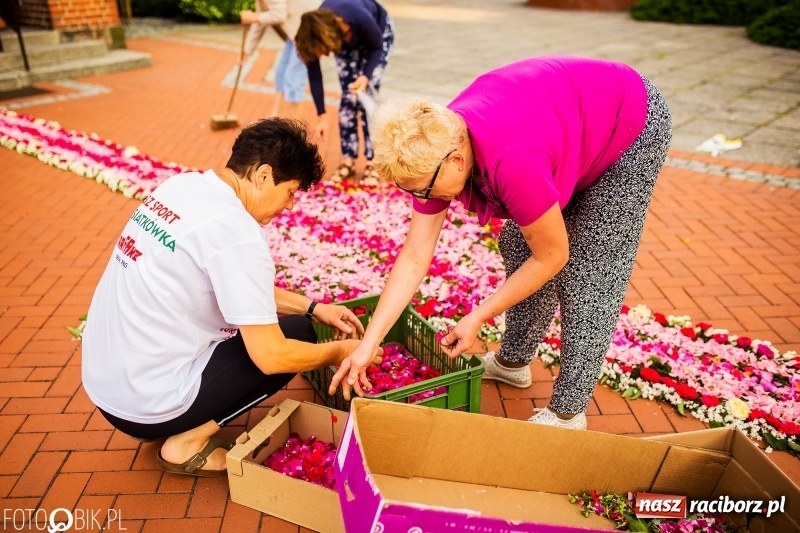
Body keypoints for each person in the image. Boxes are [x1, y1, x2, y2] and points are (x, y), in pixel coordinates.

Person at [331, 56, 672, 430]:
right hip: (562, 122)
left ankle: (568, 412)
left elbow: (553, 255)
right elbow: (414, 256)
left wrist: (477, 317)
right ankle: (514, 362)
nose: (420, 197)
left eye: (421, 189)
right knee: (519, 242)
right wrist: (367, 345)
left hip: (628, 123)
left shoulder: (512, 160)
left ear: (457, 161)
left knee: (588, 271)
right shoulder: (434, 149)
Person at [81, 119, 381, 477]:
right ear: (264, 175)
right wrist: (341, 352)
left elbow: (232, 284)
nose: (289, 205)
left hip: (108, 387)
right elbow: (272, 357)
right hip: (147, 403)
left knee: (300, 322)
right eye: (291, 191)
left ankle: (175, 418)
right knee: (295, 338)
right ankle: (186, 443)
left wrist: (312, 307)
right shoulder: (237, 232)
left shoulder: (181, 187)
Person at [295, 0, 394, 185]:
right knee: (349, 97)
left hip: (377, 37)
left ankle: (374, 162)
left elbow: (376, 46)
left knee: (366, 98)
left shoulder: (359, 17)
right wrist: (322, 116)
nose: (323, 55)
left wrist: (365, 76)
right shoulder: (315, 33)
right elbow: (315, 75)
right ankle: (347, 160)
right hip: (344, 39)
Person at [240, 0, 321, 119]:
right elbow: (259, 23)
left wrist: (254, 17)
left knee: (293, 76)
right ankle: (276, 115)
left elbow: (279, 15)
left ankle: (297, 124)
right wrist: (246, 52)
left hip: (309, 29)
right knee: (281, 72)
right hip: (295, 31)